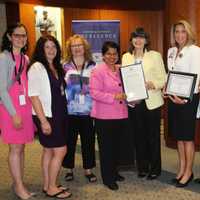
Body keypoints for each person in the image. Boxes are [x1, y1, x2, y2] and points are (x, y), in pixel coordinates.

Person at [27, 35, 72, 198]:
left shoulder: (55, 66)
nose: (51, 50)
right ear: (41, 49)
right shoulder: (37, 67)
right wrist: (43, 121)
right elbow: (33, 96)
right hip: (47, 116)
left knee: (48, 151)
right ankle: (52, 187)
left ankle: (48, 185)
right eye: (47, 47)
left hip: (59, 114)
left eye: (54, 46)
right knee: (61, 150)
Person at [122, 27, 166, 180]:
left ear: (146, 40)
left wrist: (152, 84)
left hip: (151, 102)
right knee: (138, 136)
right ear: (131, 40)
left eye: (141, 37)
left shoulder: (155, 56)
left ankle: (155, 168)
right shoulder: (126, 57)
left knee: (152, 137)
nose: (138, 40)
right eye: (135, 37)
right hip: (134, 103)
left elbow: (164, 78)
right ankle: (142, 167)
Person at [0, 23, 35, 199]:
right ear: (9, 37)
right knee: (15, 147)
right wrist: (14, 113)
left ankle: (18, 182)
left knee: (21, 148)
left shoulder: (26, 59)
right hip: (9, 109)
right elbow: (1, 90)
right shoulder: (3, 58)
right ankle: (19, 187)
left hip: (25, 107)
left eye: (24, 36)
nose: (21, 39)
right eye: (17, 35)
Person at [165, 20, 200, 187]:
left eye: (183, 31)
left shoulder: (195, 51)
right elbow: (170, 73)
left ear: (188, 33)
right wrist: (166, 87)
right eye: (177, 31)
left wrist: (184, 99)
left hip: (188, 99)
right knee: (179, 137)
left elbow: (197, 76)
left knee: (187, 137)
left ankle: (188, 172)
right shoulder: (171, 51)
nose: (179, 35)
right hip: (173, 98)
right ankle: (181, 169)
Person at [90, 41, 128, 190]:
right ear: (103, 55)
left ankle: (114, 171)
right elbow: (94, 93)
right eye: (108, 54)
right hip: (104, 116)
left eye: (115, 53)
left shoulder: (121, 69)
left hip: (121, 114)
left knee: (117, 147)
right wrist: (114, 97)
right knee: (106, 148)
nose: (112, 56)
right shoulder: (98, 71)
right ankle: (108, 178)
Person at [62, 34, 97, 182]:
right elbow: (60, 86)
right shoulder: (64, 65)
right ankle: (69, 169)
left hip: (87, 110)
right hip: (69, 110)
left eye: (79, 45)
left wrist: (87, 88)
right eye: (74, 46)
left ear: (85, 47)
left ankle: (88, 169)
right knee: (69, 141)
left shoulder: (93, 65)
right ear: (70, 48)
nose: (77, 48)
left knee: (88, 140)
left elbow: (97, 86)